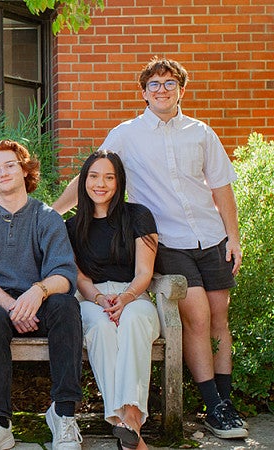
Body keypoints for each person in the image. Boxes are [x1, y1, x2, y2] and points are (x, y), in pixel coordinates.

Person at [52, 57, 247, 439]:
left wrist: (234, 237)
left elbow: (222, 187)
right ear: (143, 92)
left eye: (169, 83)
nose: (162, 89)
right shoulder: (126, 134)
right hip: (169, 242)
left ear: (181, 90)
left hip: (210, 237)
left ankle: (224, 404)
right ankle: (212, 404)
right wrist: (53, 211)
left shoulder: (200, 132)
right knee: (197, 317)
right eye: (154, 84)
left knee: (220, 318)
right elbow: (93, 173)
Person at [0, 140, 83, 450]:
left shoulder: (46, 216)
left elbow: (65, 274)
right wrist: (14, 306)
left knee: (67, 306)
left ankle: (64, 414)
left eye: (9, 165)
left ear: (25, 169)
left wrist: (37, 292)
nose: (2, 172)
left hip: (38, 301)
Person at [66, 151, 160, 450]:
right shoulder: (71, 226)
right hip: (91, 299)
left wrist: (126, 297)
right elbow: (79, 278)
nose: (100, 184)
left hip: (135, 295)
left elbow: (145, 271)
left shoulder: (138, 215)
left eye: (109, 177)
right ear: (84, 182)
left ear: (119, 182)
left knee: (132, 322)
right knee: (101, 328)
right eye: (93, 176)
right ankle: (130, 429)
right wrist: (98, 298)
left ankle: (128, 419)